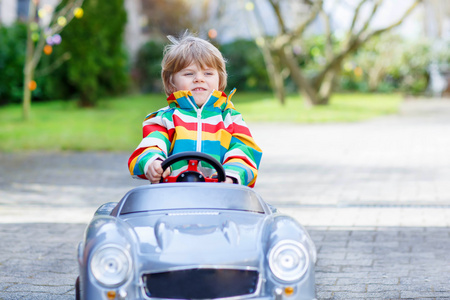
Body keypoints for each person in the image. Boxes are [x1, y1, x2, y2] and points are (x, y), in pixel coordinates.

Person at [128, 32, 262, 187]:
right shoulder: (164, 119)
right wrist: (153, 162)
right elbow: (151, 145)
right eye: (189, 73)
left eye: (208, 73)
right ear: (171, 82)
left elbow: (245, 151)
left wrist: (231, 176)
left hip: (220, 194)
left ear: (219, 80)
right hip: (171, 195)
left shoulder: (230, 119)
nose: (199, 78)